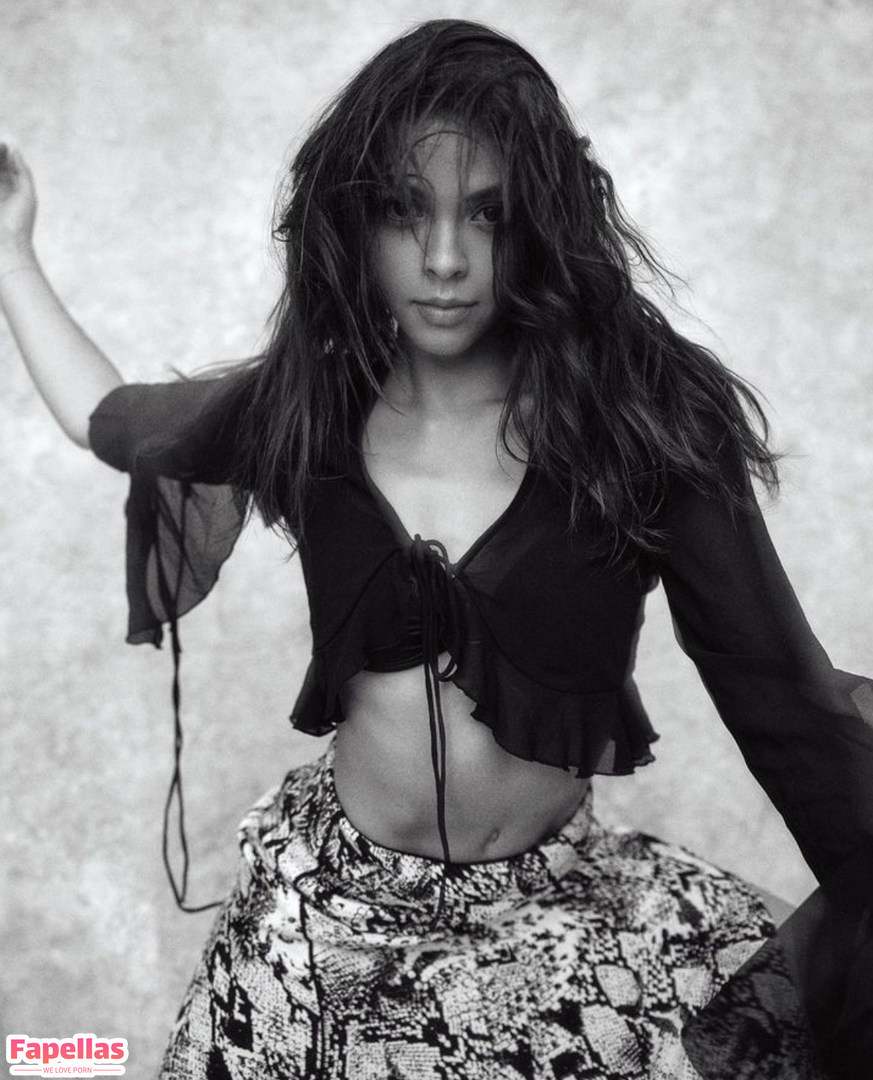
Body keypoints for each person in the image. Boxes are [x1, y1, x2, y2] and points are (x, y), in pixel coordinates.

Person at [2, 18, 871, 1080]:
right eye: (405, 212)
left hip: (557, 913)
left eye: (488, 214)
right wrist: (11, 249)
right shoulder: (307, 410)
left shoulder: (643, 429)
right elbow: (107, 418)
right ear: (352, 220)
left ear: (540, 222)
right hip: (332, 920)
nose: (448, 259)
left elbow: (785, 704)